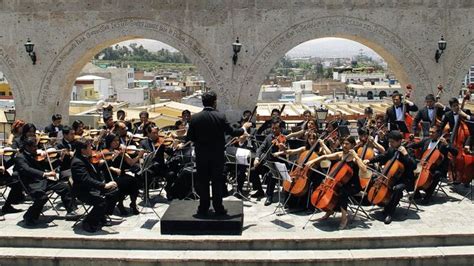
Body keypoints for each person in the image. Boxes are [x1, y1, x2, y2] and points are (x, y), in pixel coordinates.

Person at [179, 91, 251, 216]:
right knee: (217, 182)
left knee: (203, 182)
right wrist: (244, 127)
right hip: (217, 156)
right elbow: (233, 132)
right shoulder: (220, 116)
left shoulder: (195, 118)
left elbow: (190, 137)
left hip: (201, 156)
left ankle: (203, 207)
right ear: (214, 102)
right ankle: (218, 207)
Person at [305, 136, 367, 229]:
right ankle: (329, 211)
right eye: (343, 143)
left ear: (353, 145)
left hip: (354, 186)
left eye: (347, 144)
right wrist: (313, 161)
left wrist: (355, 156)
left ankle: (344, 218)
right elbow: (324, 156)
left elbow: (364, 170)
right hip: (341, 183)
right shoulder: (340, 154)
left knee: (342, 192)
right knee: (338, 190)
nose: (344, 145)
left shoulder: (354, 158)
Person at [15, 137, 77, 226]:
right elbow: (27, 169)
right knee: (42, 197)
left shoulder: (36, 155)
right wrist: (45, 174)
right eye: (34, 147)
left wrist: (60, 159)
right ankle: (29, 216)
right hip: (31, 184)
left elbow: (48, 166)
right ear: (27, 147)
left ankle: (70, 211)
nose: (36, 149)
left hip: (42, 181)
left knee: (64, 187)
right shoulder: (20, 157)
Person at [364, 131, 417, 225]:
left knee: (397, 189)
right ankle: (383, 203)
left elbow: (414, 166)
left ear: (399, 141)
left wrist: (405, 154)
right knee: (373, 179)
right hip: (391, 178)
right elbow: (383, 156)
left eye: (392, 142)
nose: (390, 144)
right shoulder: (392, 149)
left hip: (405, 179)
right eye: (390, 142)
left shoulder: (408, 150)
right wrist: (369, 160)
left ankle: (389, 212)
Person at [71, 138, 119, 233]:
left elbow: (93, 170)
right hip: (84, 191)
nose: (92, 149)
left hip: (91, 188)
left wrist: (104, 164)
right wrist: (104, 185)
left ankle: (101, 216)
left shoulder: (84, 157)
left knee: (114, 192)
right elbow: (86, 179)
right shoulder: (77, 162)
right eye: (89, 147)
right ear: (83, 150)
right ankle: (88, 222)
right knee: (101, 202)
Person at [407, 125, 457, 203]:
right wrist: (406, 146)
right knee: (410, 170)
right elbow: (415, 145)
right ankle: (417, 194)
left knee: (436, 174)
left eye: (432, 132)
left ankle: (428, 196)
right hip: (425, 165)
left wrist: (447, 144)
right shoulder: (426, 140)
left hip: (438, 167)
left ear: (438, 133)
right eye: (430, 131)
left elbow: (455, 152)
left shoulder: (443, 142)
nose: (430, 134)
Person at [250, 118, 288, 206]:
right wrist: (257, 158)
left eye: (276, 128)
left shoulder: (284, 137)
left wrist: (282, 148)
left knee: (271, 174)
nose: (274, 130)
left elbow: (287, 151)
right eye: (273, 128)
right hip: (267, 162)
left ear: (280, 129)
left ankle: (269, 196)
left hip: (278, 164)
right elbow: (261, 148)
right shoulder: (269, 137)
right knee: (253, 170)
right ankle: (260, 191)